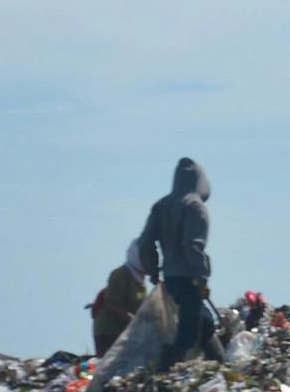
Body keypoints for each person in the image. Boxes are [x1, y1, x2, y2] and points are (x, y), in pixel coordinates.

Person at [135, 157, 222, 368]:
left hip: (171, 278)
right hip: (189, 278)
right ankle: (164, 376)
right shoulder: (195, 206)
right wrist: (201, 278)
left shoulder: (161, 206)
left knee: (205, 322)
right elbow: (192, 246)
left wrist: (153, 271)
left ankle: (222, 365)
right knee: (188, 334)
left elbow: (145, 243)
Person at [88, 242, 147, 359]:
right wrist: (133, 320)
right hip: (109, 331)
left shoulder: (141, 282)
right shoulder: (121, 274)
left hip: (125, 332)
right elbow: (111, 304)